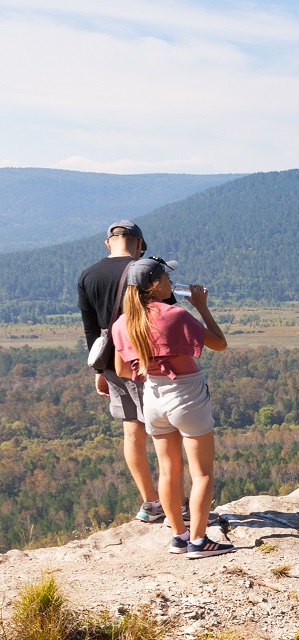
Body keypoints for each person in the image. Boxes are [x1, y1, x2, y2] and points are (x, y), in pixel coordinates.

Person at [111, 256, 233, 557]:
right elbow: (219, 343)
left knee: (168, 471)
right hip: (187, 395)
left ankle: (178, 537)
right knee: (201, 473)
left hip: (152, 398)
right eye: (166, 277)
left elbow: (124, 371)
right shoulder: (175, 315)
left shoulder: (123, 323)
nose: (169, 281)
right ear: (155, 284)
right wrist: (201, 306)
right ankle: (199, 541)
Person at [76, 220, 166, 523]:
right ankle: (177, 506)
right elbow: (166, 316)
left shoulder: (87, 275)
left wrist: (98, 370)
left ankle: (151, 503)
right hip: (147, 359)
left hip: (112, 363)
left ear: (107, 243)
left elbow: (91, 329)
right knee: (164, 431)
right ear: (139, 244)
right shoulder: (144, 270)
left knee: (132, 431)